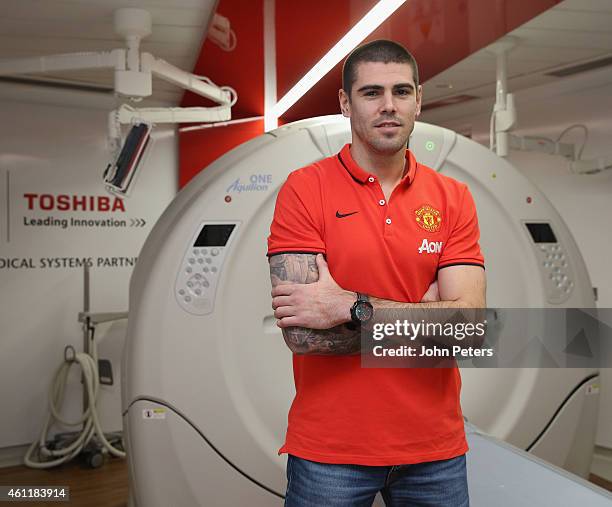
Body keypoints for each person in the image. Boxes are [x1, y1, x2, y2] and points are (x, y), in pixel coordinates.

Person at [267, 39, 486, 507]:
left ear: (418, 100)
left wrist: (347, 307)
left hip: (435, 450)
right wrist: (426, 318)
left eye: (401, 92)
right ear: (346, 103)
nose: (389, 106)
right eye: (371, 93)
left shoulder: (453, 197)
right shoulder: (305, 189)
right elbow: (305, 336)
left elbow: (469, 331)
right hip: (330, 450)